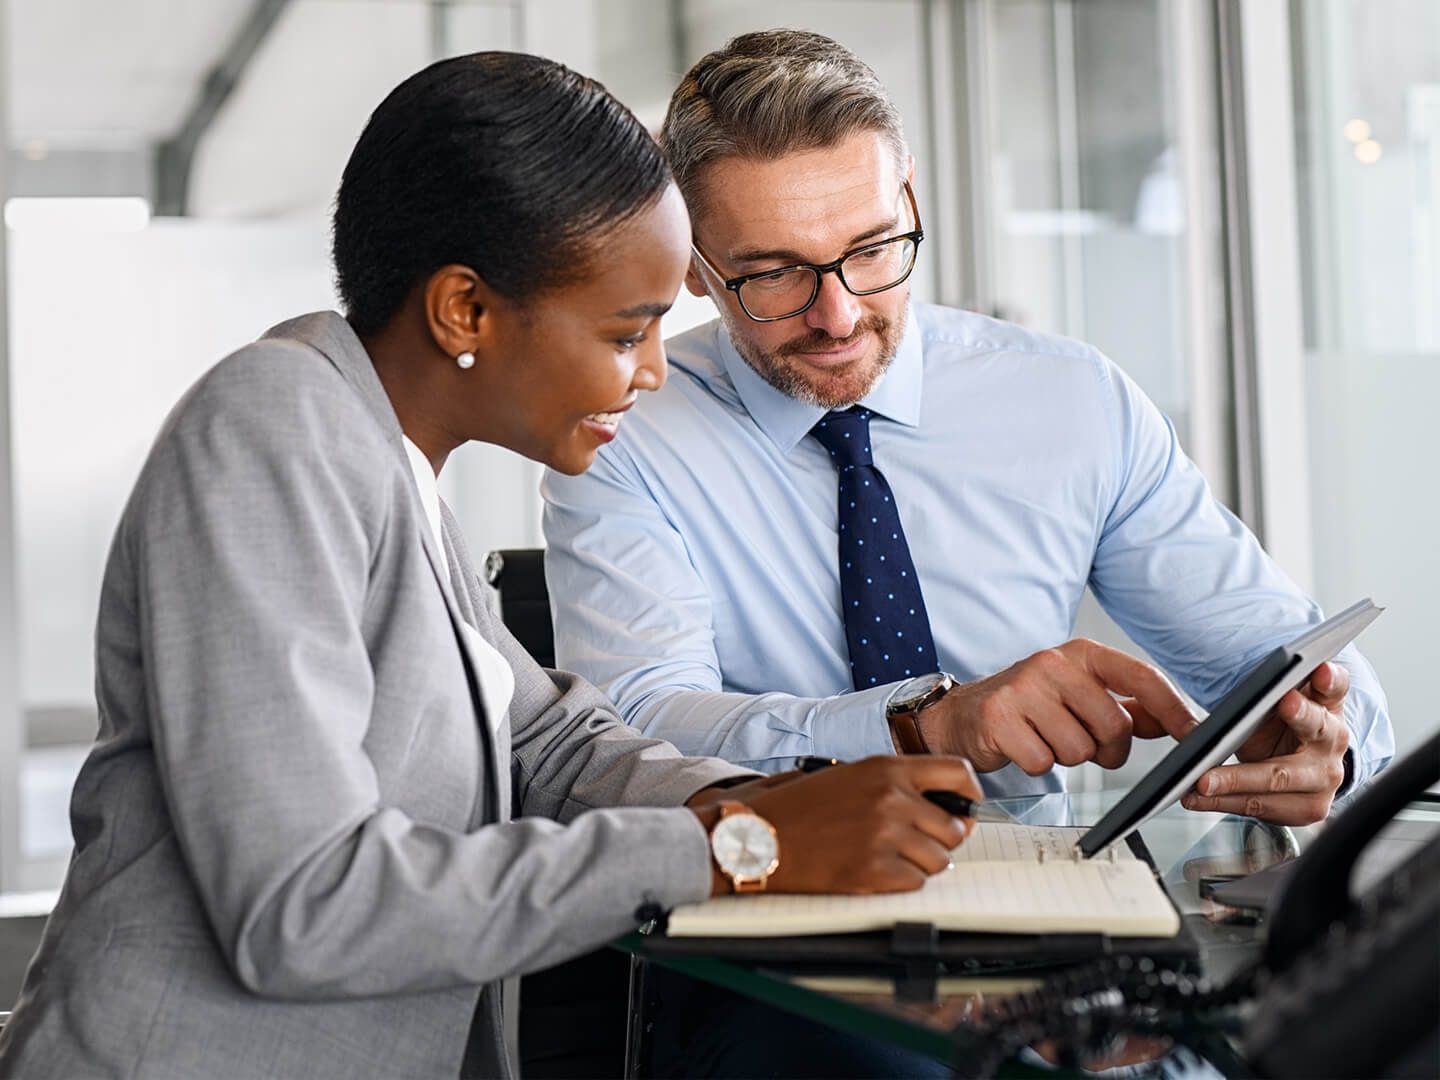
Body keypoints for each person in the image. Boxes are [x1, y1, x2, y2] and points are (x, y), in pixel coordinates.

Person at [0, 52, 985, 1080]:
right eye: (625, 331)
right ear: (464, 310)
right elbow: (303, 902)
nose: (652, 374)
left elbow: (550, 743)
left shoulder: (391, 465)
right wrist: (741, 849)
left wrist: (762, 804)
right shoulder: (276, 427)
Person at [542, 28, 1393, 829]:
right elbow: (635, 737)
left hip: (1061, 914)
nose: (838, 317)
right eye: (774, 274)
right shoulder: (623, 432)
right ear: (693, 263)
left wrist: (1326, 741)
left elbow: (1286, 657)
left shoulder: (1071, 400)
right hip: (766, 928)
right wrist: (923, 728)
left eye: (873, 249)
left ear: (909, 194)